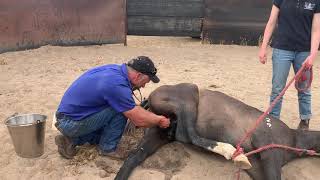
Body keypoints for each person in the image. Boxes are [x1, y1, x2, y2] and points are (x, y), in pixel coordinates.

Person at [54, 56, 170, 159]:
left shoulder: (115, 70)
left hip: (67, 116)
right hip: (69, 123)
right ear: (138, 76)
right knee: (120, 110)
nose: (144, 85)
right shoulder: (116, 84)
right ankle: (107, 148)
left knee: (108, 129)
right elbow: (138, 119)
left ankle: (71, 140)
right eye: (146, 81)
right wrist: (159, 120)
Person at [259, 0, 320, 130]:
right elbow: (271, 23)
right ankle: (274, 121)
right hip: (282, 49)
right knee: (277, 89)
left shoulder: (316, 1)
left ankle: (305, 121)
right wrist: (263, 47)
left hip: (304, 52)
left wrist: (312, 55)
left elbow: (316, 30)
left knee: (304, 89)